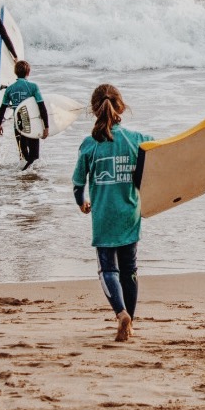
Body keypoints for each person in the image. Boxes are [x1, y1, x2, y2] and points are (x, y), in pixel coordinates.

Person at [72, 84, 153, 342]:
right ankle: (132, 320)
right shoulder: (137, 139)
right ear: (121, 106)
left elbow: (77, 183)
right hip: (130, 213)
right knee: (130, 269)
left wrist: (81, 202)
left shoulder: (89, 145)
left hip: (104, 217)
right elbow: (164, 158)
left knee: (108, 269)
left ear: (94, 110)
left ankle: (121, 314)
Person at [0, 60, 50, 169]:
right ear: (28, 72)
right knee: (34, 156)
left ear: (15, 72)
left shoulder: (10, 89)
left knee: (23, 155)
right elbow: (41, 107)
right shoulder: (33, 87)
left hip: (18, 125)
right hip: (32, 124)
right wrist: (46, 126)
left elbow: (3, 108)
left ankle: (22, 176)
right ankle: (27, 176)